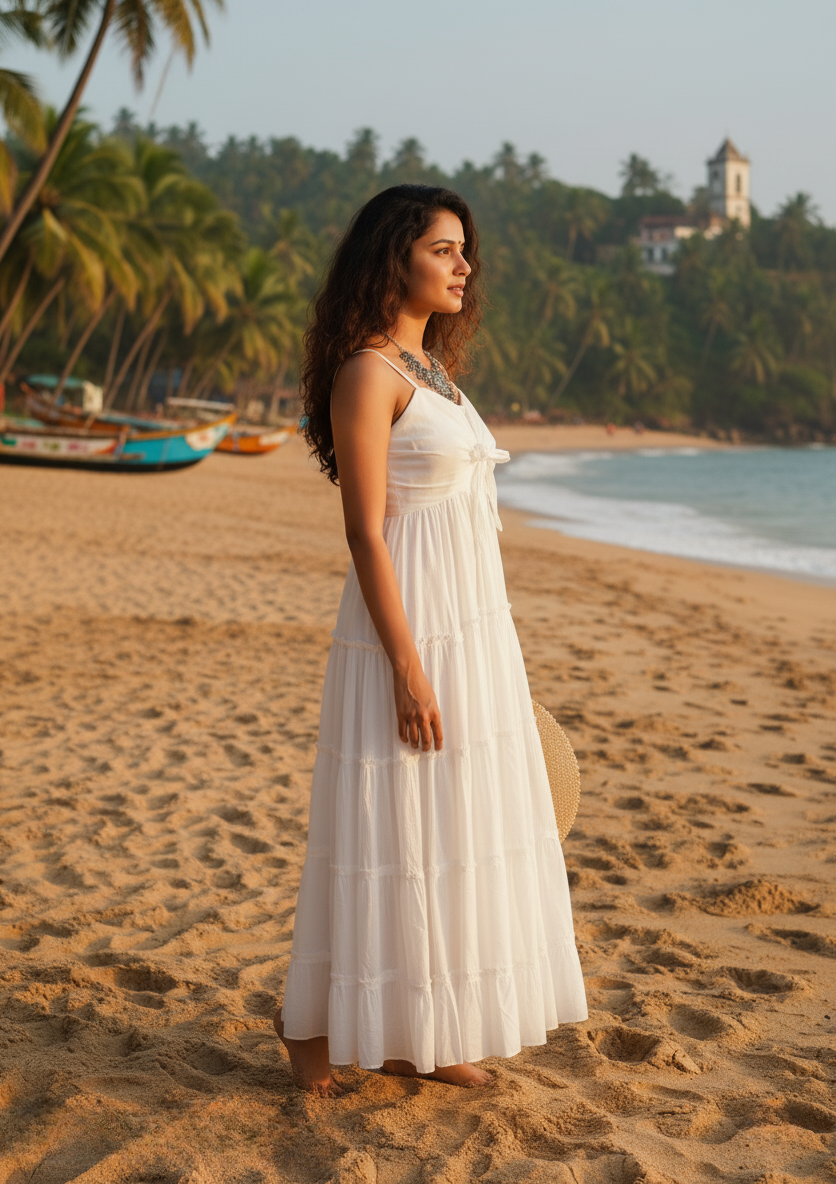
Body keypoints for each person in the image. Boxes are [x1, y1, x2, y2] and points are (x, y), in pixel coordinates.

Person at [274, 185, 588, 1094]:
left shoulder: (434, 372)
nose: (465, 265)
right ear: (393, 257)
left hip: (470, 628)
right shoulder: (369, 373)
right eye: (445, 249)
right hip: (403, 635)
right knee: (387, 827)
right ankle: (308, 1026)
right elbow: (367, 532)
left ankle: (423, 1027)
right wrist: (409, 669)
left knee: (447, 828)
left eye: (465, 251)